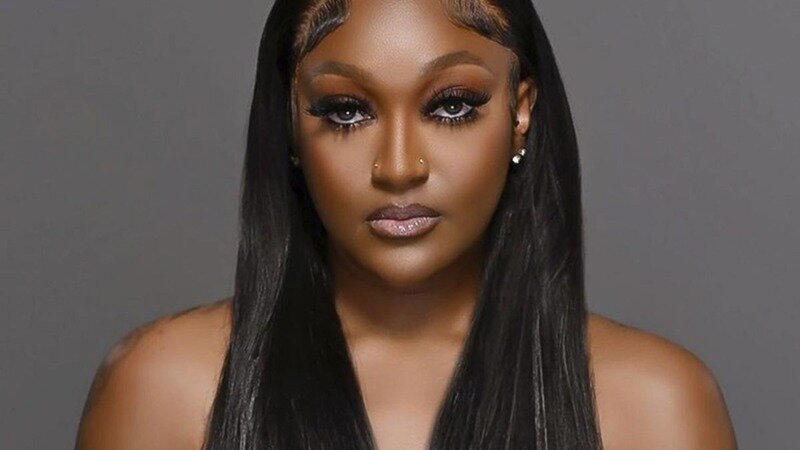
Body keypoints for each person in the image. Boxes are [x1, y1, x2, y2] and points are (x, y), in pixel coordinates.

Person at [75, 0, 737, 448]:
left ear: (521, 113)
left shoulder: (654, 409)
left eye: (451, 106)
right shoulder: (166, 392)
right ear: (290, 126)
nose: (398, 168)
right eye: (346, 111)